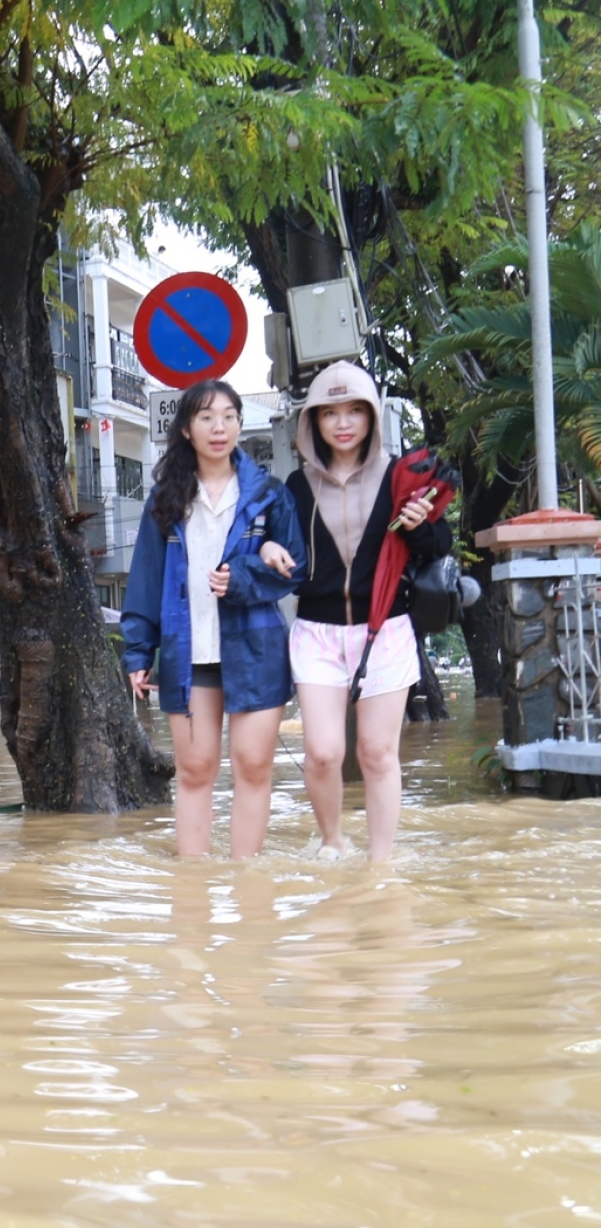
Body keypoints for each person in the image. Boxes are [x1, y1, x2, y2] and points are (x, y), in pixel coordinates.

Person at [266, 361, 451, 862]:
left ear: (371, 415)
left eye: (355, 410)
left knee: (377, 752)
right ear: (313, 421)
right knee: (323, 752)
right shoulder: (296, 485)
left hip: (385, 628)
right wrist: (267, 548)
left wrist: (418, 524)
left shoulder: (399, 477)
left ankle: (380, 863)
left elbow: (439, 544)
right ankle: (332, 842)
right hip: (316, 632)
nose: (343, 422)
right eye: (330, 413)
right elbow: (274, 541)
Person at [122, 379, 304, 859]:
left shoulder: (269, 495)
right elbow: (145, 579)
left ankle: (246, 880)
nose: (218, 427)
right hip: (190, 654)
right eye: (206, 418)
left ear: (240, 425)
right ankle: (192, 884)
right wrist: (138, 651)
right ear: (186, 429)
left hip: (256, 651)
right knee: (195, 769)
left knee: (253, 767)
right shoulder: (165, 501)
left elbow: (295, 569)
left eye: (228, 417)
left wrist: (243, 575)